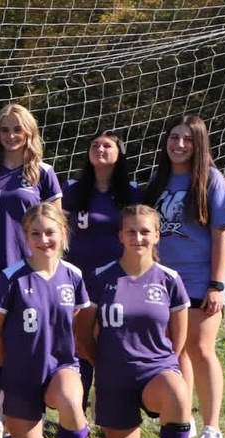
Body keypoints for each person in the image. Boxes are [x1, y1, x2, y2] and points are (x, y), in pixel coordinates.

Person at [75, 204, 191, 438]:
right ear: (121, 235)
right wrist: (103, 366)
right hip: (114, 377)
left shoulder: (169, 279)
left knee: (178, 391)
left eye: (145, 231)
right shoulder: (101, 277)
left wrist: (166, 366)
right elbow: (83, 333)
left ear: (156, 236)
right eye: (131, 231)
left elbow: (178, 338)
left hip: (155, 372)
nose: (138, 237)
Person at [144, 114, 225, 438]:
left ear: (199, 144)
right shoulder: (159, 180)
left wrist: (216, 284)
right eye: (173, 137)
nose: (179, 144)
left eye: (187, 139)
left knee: (201, 348)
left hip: (200, 281)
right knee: (176, 349)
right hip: (165, 282)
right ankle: (185, 417)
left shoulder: (211, 181)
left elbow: (220, 237)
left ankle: (212, 429)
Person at [0, 202, 89, 438]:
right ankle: (15, 435)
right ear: (25, 236)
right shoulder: (10, 278)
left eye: (50, 232)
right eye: (35, 233)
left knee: (70, 398)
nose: (44, 240)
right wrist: (16, 363)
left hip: (61, 368)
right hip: (22, 374)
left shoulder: (73, 276)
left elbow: (77, 330)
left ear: (63, 233)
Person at [0, 103, 62, 438]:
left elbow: (55, 226)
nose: (11, 136)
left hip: (32, 272)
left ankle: (24, 405)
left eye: (17, 129)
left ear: (29, 133)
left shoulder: (43, 173)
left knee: (26, 340)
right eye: (4, 129)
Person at [62, 131, 141, 415]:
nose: (100, 148)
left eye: (107, 145)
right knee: (79, 342)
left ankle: (107, 405)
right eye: (95, 145)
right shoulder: (73, 189)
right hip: (78, 279)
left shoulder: (131, 193)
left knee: (110, 342)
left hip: (115, 280)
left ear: (119, 154)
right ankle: (76, 408)